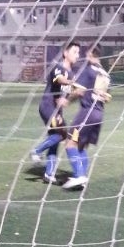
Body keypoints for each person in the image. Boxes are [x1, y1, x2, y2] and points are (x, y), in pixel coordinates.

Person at [62, 44, 111, 190]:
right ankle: (81, 178)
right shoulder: (106, 74)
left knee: (70, 143)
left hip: (87, 113)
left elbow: (79, 91)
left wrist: (67, 100)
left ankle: (79, 176)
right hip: (99, 114)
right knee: (81, 146)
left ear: (89, 53)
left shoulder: (88, 69)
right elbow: (107, 97)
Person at [30, 41, 80, 183]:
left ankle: (49, 174)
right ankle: (36, 151)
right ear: (65, 53)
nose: (77, 55)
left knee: (56, 138)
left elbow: (70, 94)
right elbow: (60, 80)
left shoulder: (72, 73)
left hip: (57, 110)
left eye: (78, 52)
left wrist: (71, 98)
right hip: (48, 106)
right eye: (75, 52)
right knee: (62, 134)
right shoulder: (58, 67)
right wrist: (71, 83)